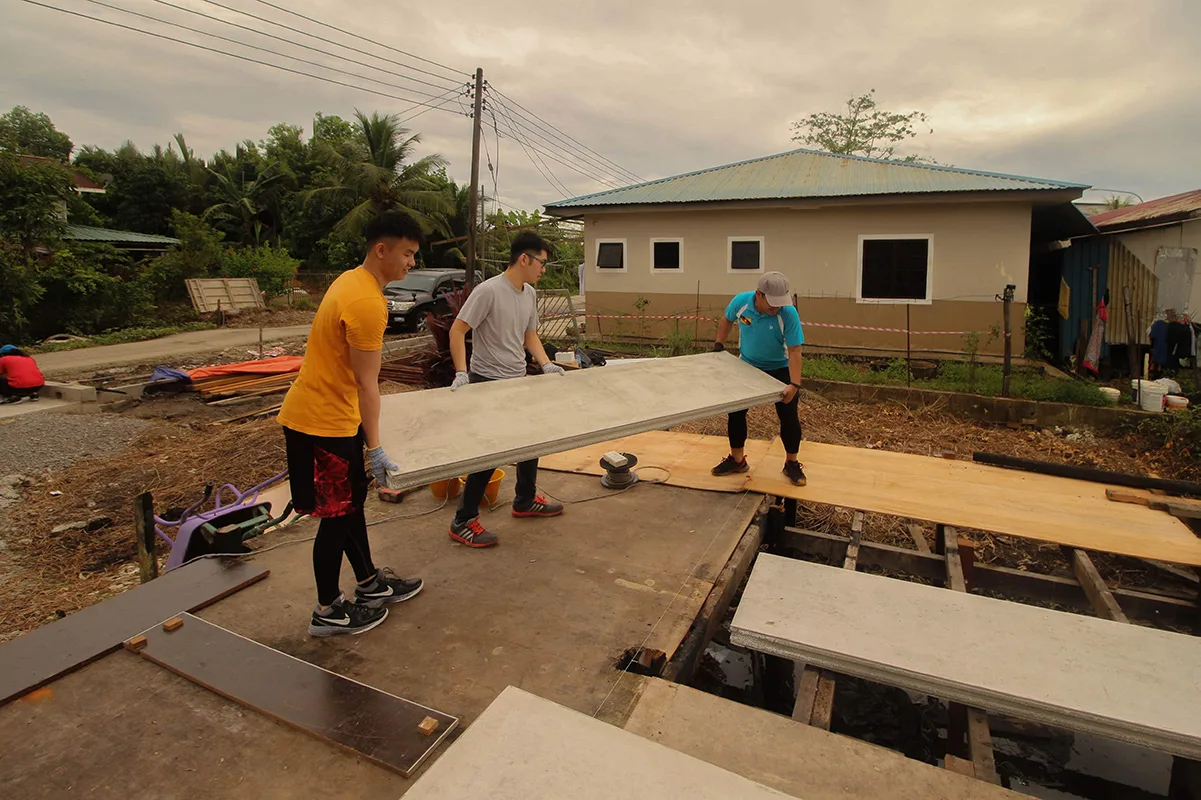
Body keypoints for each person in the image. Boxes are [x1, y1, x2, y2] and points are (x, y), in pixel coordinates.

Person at [277, 210, 426, 637]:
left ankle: (369, 583)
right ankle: (327, 611)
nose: (411, 263)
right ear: (382, 250)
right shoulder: (366, 303)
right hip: (322, 424)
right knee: (336, 517)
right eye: (408, 254)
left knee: (349, 506)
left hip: (325, 416)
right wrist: (375, 447)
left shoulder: (352, 280)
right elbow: (367, 384)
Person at [446, 231, 566, 548]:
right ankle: (462, 521)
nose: (543, 269)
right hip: (487, 382)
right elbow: (457, 331)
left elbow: (530, 335)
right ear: (524, 259)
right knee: (490, 453)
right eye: (541, 262)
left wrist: (545, 364)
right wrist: (461, 372)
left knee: (529, 441)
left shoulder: (529, 294)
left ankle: (525, 500)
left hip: (517, 378)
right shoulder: (489, 292)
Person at [710, 272, 807, 486]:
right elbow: (726, 320)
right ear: (759, 295)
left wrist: (794, 384)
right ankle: (737, 461)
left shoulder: (788, 314)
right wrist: (719, 346)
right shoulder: (742, 302)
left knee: (789, 415)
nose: (776, 308)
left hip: (779, 368)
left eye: (780, 303)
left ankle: (792, 463)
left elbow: (794, 351)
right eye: (772, 303)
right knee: (736, 412)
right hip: (747, 365)